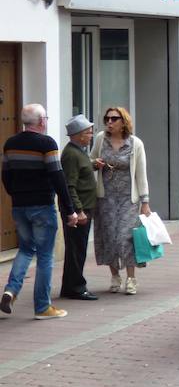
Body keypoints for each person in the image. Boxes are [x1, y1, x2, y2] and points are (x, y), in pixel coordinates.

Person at [0, 105, 77, 319]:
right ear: (42, 121)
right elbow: (57, 176)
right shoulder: (47, 144)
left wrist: (16, 195)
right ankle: (43, 307)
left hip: (19, 207)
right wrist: (70, 210)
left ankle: (10, 291)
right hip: (42, 206)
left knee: (25, 249)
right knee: (45, 256)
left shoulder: (10, 144)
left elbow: (5, 176)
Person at [91, 107, 151, 296]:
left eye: (114, 118)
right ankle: (115, 276)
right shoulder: (101, 139)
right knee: (109, 237)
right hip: (105, 198)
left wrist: (145, 201)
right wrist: (95, 163)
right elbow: (90, 160)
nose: (109, 122)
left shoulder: (135, 143)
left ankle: (131, 278)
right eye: (107, 118)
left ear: (123, 121)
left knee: (126, 237)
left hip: (128, 199)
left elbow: (141, 174)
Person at [59, 115, 99, 301]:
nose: (91, 135)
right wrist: (78, 211)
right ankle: (75, 287)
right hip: (78, 211)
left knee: (78, 248)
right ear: (78, 135)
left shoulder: (78, 151)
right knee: (76, 249)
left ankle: (71, 286)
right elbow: (70, 185)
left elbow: (82, 169)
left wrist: (93, 165)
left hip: (83, 207)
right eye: (88, 132)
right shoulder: (71, 154)